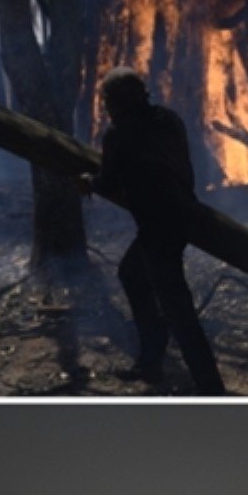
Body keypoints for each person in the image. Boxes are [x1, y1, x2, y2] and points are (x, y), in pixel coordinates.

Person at [78, 67, 225, 395]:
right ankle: (151, 362)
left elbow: (108, 181)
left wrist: (91, 182)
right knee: (131, 274)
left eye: (108, 101)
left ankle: (211, 388)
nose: (106, 107)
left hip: (159, 227)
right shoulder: (170, 120)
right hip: (183, 216)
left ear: (118, 102)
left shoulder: (120, 133)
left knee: (178, 308)